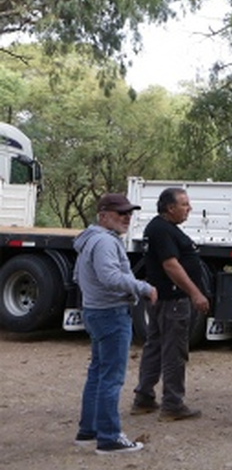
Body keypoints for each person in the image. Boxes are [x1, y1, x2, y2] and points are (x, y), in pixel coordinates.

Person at [74, 193, 158, 454]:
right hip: (110, 314)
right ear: (103, 216)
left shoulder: (90, 240)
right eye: (121, 213)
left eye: (129, 212)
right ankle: (109, 438)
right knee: (111, 377)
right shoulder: (105, 242)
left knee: (98, 373)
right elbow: (110, 276)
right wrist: (142, 287)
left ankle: (89, 431)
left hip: (96, 312)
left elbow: (79, 275)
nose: (127, 217)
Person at [132, 187, 209, 421]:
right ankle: (172, 405)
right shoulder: (161, 230)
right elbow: (171, 265)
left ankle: (144, 398)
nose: (189, 208)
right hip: (173, 300)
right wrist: (195, 293)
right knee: (173, 351)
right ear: (170, 208)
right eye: (184, 204)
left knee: (155, 346)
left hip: (163, 299)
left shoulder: (163, 228)